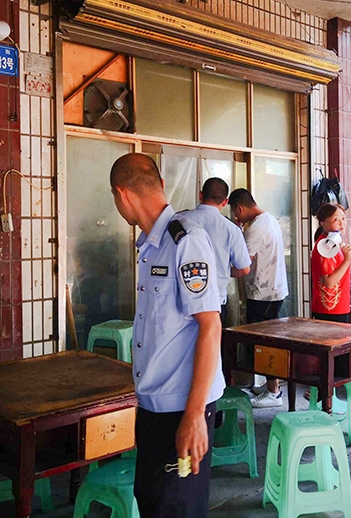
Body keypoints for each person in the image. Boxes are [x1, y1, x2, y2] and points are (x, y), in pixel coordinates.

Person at [110, 153, 225, 518]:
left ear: (121, 195)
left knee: (178, 508)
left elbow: (210, 325)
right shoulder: (150, 245)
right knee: (154, 503)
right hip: (153, 407)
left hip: (182, 409)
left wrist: (193, 416)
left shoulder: (185, 240)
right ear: (158, 185)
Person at [229, 188, 289, 409]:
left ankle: (274, 392)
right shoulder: (269, 219)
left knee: (263, 343)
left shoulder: (255, 228)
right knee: (266, 340)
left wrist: (220, 272)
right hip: (273, 289)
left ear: (240, 208)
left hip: (264, 293)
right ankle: (271, 386)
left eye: (236, 213)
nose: (237, 218)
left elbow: (243, 266)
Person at [183, 177, 251, 331]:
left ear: (200, 195)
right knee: (214, 350)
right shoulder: (231, 229)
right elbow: (245, 269)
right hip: (215, 304)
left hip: (182, 303)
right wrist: (224, 270)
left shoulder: (180, 221)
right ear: (225, 202)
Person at [311, 203, 351, 323]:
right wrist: (347, 260)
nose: (342, 223)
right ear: (323, 223)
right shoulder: (325, 246)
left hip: (338, 307)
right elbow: (329, 282)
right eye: (336, 219)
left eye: (343, 218)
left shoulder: (333, 242)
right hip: (330, 309)